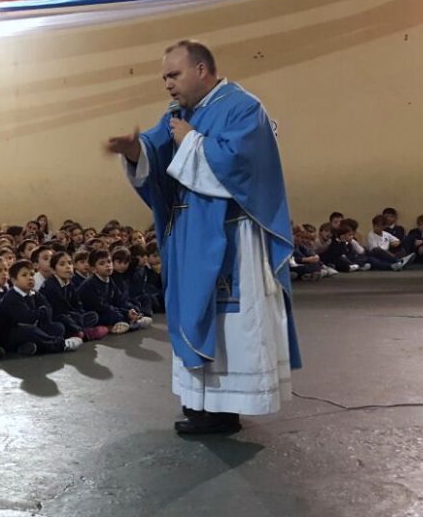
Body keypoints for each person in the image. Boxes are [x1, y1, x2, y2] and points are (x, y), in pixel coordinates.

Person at [106, 39, 300, 435]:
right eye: (163, 77)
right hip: (190, 235)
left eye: (173, 75)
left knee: (229, 324)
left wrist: (191, 140)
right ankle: (199, 403)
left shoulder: (243, 107)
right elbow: (156, 153)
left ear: (201, 70)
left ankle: (226, 411)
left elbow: (243, 167)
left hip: (232, 237)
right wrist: (134, 151)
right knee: (192, 314)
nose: (167, 84)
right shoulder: (178, 114)